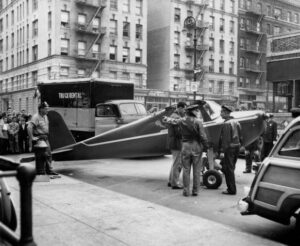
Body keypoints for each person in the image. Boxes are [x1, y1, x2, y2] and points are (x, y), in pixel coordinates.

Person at [163, 105, 209, 197]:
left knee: (186, 170)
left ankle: (186, 191)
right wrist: (206, 147)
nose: (197, 112)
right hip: (196, 146)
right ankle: (195, 191)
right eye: (196, 111)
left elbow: (171, 121)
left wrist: (166, 118)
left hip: (185, 146)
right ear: (193, 112)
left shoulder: (182, 120)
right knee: (196, 170)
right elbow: (203, 136)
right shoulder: (198, 122)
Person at [27, 102, 60, 177]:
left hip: (45, 138)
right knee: (42, 155)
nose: (47, 110)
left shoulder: (45, 116)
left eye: (48, 108)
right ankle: (41, 172)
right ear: (41, 109)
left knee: (49, 155)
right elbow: (29, 127)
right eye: (46, 108)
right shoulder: (36, 117)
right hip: (39, 138)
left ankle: (49, 170)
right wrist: (32, 137)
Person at [219, 105, 243, 195]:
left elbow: (225, 140)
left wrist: (222, 151)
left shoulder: (227, 124)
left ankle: (231, 189)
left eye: (221, 112)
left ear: (226, 113)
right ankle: (231, 187)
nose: (220, 114)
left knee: (229, 169)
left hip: (229, 148)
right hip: (236, 147)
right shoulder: (236, 122)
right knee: (229, 168)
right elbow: (241, 136)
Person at [166, 101, 186, 189]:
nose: (185, 111)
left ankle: (171, 181)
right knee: (177, 163)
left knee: (175, 163)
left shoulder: (173, 116)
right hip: (177, 142)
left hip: (173, 142)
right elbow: (179, 132)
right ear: (180, 108)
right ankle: (175, 183)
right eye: (184, 109)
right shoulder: (176, 117)